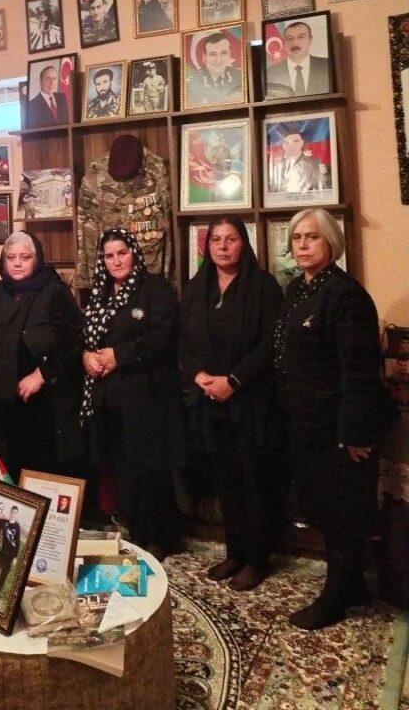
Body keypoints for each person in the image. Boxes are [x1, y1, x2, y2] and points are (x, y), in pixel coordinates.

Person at [274, 209, 392, 629]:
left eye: (313, 237)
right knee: (322, 509)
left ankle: (336, 598)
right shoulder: (297, 290)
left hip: (337, 429)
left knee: (341, 514)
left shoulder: (346, 294)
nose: (303, 245)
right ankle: (352, 585)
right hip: (305, 424)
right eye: (297, 238)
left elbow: (359, 370)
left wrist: (354, 433)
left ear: (332, 244)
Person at [179, 217, 284, 591]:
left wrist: (234, 381)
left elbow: (271, 343)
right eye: (216, 240)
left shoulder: (263, 287)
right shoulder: (197, 288)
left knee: (255, 480)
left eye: (231, 239)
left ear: (244, 244)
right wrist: (198, 375)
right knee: (226, 481)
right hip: (211, 401)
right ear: (207, 246)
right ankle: (235, 553)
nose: (223, 247)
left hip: (251, 401)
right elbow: (182, 339)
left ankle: (257, 560)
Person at [81, 228, 186, 557]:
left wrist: (119, 355)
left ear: (134, 254)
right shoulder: (99, 293)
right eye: (109, 256)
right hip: (108, 397)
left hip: (147, 395)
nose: (116, 261)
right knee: (123, 469)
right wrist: (86, 356)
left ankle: (161, 538)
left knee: (150, 468)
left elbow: (162, 337)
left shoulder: (154, 288)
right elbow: (85, 337)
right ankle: (137, 531)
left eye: (122, 253)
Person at [0, 231, 84, 483]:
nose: (17, 263)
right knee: (4, 473)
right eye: (11, 257)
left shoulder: (55, 292)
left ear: (36, 259)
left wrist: (42, 374)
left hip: (44, 404)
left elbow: (73, 341)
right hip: (0, 403)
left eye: (25, 257)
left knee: (40, 473)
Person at [265, 21, 331, 98]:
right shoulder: (271, 73)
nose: (295, 43)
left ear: (310, 40)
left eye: (301, 37)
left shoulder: (326, 65)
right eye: (290, 38)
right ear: (284, 43)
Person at [187, 32, 242, 106]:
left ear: (229, 54)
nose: (218, 60)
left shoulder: (239, 76)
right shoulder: (194, 83)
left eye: (223, 53)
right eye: (213, 54)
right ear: (204, 57)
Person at [268, 128, 326, 196]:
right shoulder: (277, 166)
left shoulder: (314, 163)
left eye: (296, 141)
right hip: (283, 201)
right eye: (287, 142)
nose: (292, 145)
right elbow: (273, 191)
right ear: (283, 145)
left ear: (302, 143)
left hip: (308, 200)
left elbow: (321, 188)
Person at [0, 505, 21, 600]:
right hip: (2, 554)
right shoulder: (4, 523)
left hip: (10, 557)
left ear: (16, 514)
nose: (13, 514)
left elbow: (17, 542)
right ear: (10, 512)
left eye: (15, 513)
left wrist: (15, 557)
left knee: (3, 578)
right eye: (12, 512)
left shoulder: (17, 526)